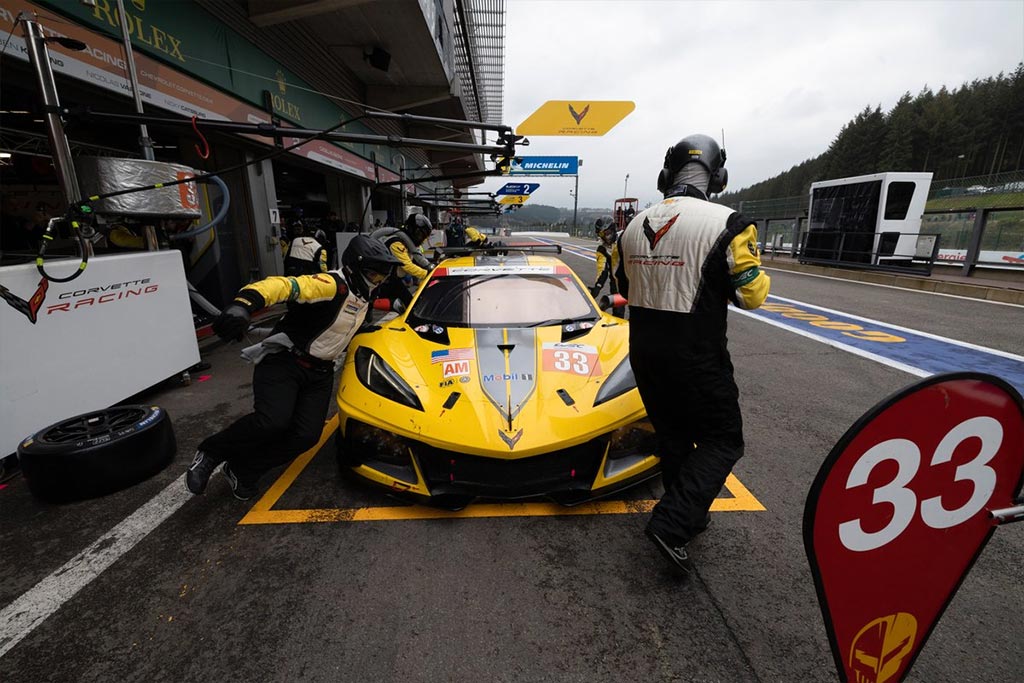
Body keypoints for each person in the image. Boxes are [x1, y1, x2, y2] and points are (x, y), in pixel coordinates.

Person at [614, 133, 770, 576]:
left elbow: (624, 289)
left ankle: (689, 513)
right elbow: (752, 296)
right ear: (717, 176)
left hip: (643, 351)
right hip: (696, 352)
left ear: (666, 175)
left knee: (674, 436)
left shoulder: (632, 225)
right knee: (724, 439)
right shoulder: (730, 223)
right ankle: (673, 522)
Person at [185, 235, 402, 500]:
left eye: (382, 276)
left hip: (320, 372)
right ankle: (210, 453)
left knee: (306, 436)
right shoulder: (330, 284)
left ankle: (243, 470)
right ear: (355, 268)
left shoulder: (364, 293)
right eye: (373, 274)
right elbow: (282, 285)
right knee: (271, 422)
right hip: (285, 361)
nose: (377, 281)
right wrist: (243, 306)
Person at [371, 213, 433, 311]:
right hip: (384, 281)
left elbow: (418, 258)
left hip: (392, 280)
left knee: (409, 305)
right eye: (420, 234)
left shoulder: (406, 243)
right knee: (407, 306)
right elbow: (406, 265)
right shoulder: (396, 243)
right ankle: (371, 305)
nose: (421, 239)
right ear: (413, 230)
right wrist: (428, 274)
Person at [590, 216, 623, 316]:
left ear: (613, 229)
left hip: (635, 282)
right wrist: (597, 287)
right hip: (617, 285)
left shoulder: (625, 237)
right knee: (618, 313)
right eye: (601, 235)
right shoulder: (602, 249)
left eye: (607, 233)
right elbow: (602, 270)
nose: (605, 237)